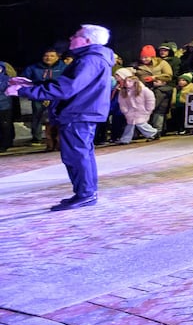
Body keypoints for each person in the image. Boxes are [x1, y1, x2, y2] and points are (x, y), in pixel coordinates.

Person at [7, 24, 116, 210]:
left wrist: (24, 91)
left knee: (76, 156)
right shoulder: (92, 59)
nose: (71, 38)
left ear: (87, 40)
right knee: (81, 155)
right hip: (82, 112)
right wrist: (33, 84)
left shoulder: (89, 60)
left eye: (76, 35)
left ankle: (86, 194)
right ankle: (85, 192)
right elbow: (69, 84)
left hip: (78, 113)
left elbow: (66, 88)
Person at [22, 48, 64, 150]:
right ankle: (37, 138)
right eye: (46, 56)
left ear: (58, 57)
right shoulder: (33, 68)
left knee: (57, 117)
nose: (48, 58)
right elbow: (24, 80)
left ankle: (58, 140)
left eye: (52, 56)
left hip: (57, 96)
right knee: (38, 116)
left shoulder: (64, 67)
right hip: (38, 95)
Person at [108, 68, 159, 144]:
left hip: (141, 110)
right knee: (130, 125)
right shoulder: (123, 91)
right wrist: (125, 110)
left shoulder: (143, 90)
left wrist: (149, 109)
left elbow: (150, 99)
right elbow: (122, 102)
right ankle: (125, 139)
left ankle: (153, 133)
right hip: (130, 112)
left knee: (140, 124)